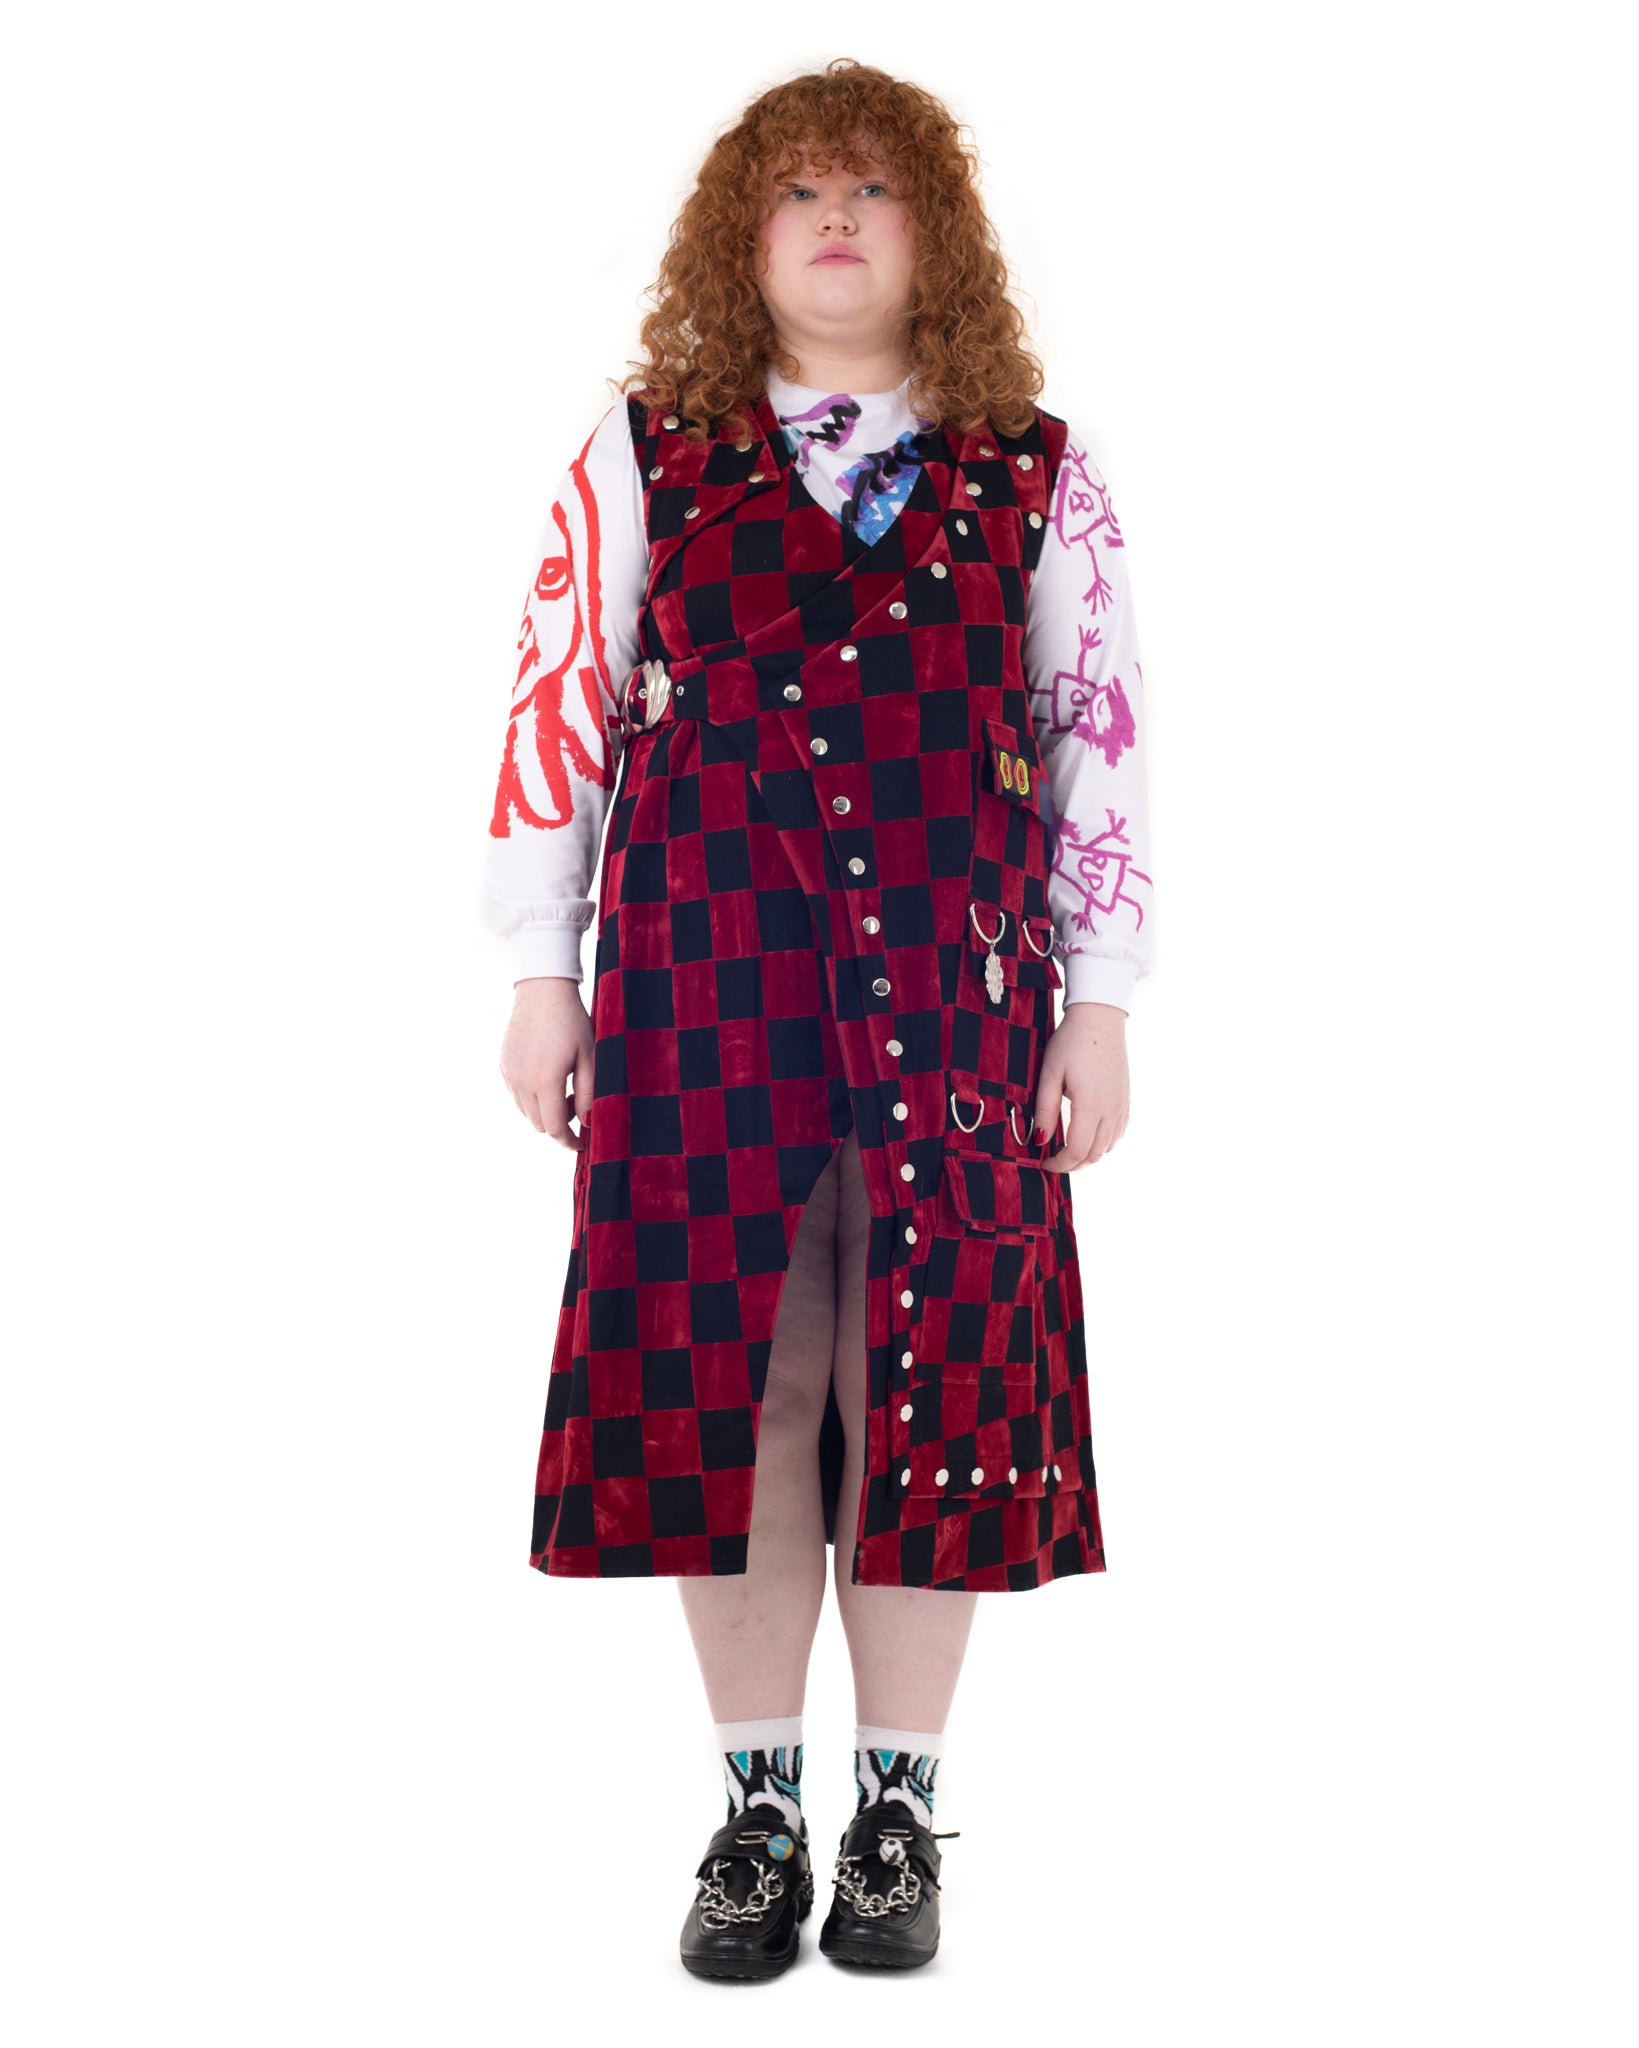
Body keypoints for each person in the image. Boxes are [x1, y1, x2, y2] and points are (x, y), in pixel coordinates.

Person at [480, 58, 1155, 1978]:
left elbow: (1095, 741)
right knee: (743, 1380)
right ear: (742, 238)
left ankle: (900, 1816)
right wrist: (541, 970)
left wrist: (1101, 1004)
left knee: (929, 1377)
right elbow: (555, 707)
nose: (837, 218)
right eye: (797, 192)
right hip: (702, 968)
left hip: (961, 984)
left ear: (937, 233)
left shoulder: (1035, 466)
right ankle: (760, 1811)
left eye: (873, 187)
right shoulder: (640, 452)